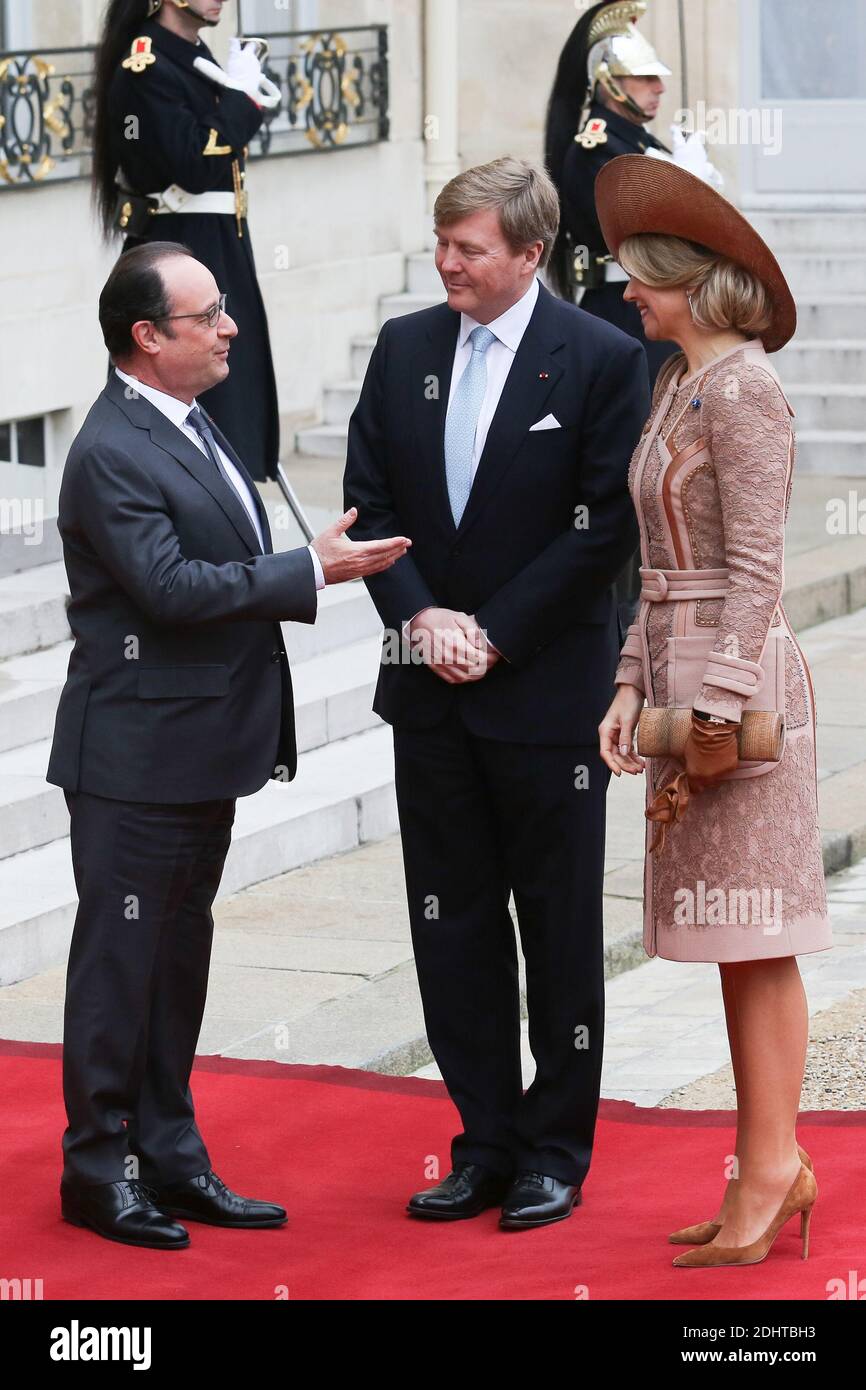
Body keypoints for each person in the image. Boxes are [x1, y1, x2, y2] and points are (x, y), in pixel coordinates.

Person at [47, 242, 409, 1249]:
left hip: (197, 748)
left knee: (176, 959)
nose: (229, 325)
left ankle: (169, 1151)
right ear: (147, 338)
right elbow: (167, 590)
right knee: (122, 966)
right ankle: (98, 1170)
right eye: (207, 316)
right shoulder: (111, 447)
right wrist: (309, 569)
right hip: (134, 756)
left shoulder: (193, 420)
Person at [343, 158, 649, 1230]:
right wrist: (420, 619)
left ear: (529, 254)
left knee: (558, 929)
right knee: (452, 925)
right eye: (441, 244)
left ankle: (554, 1150)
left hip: (545, 699)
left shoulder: (604, 359)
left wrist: (496, 634)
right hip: (430, 696)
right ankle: (481, 1140)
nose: (446, 265)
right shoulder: (404, 348)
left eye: (468, 249)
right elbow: (369, 502)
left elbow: (605, 527)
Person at [596, 154, 828, 1268]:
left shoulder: (741, 389)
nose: (621, 287)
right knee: (734, 940)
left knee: (758, 932)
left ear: (684, 278)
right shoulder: (672, 384)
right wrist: (633, 685)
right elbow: (656, 565)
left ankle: (770, 1169)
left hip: (738, 682)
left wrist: (718, 706)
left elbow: (754, 568)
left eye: (637, 273)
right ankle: (768, 1166)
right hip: (680, 668)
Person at [92, 0, 281, 480]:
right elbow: (194, 164)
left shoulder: (191, 53)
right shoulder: (146, 63)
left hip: (216, 245)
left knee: (230, 393)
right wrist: (242, 96)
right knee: (191, 388)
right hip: (182, 249)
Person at [544, 1, 676, 638]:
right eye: (644, 79)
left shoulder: (639, 141)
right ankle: (622, 613)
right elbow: (626, 231)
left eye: (657, 79)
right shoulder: (595, 147)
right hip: (618, 313)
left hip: (648, 315)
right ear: (608, 83)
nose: (656, 90)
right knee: (628, 459)